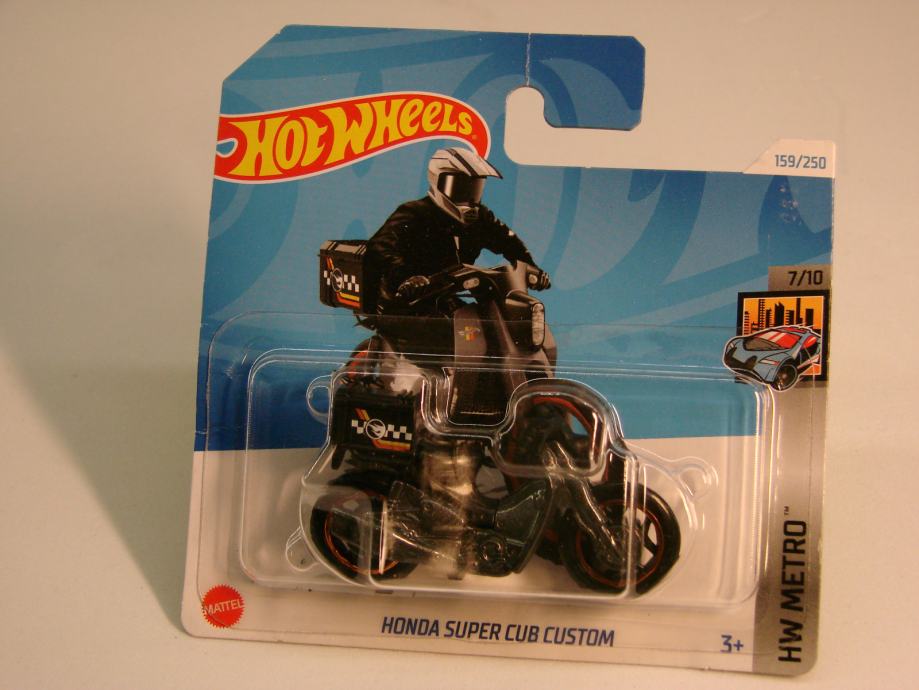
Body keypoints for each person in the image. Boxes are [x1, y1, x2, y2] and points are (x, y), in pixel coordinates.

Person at [364, 147, 551, 316]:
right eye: (460, 187)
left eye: (474, 189)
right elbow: (380, 246)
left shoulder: (480, 217)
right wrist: (407, 277)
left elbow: (507, 240)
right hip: (404, 300)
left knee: (481, 323)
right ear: (437, 181)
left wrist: (530, 267)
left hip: (443, 297)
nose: (468, 197)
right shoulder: (414, 212)